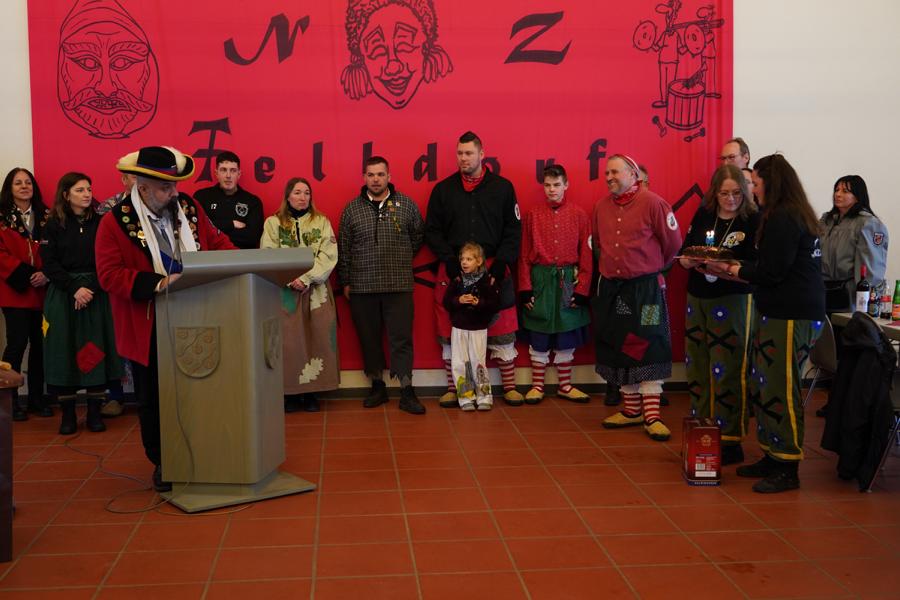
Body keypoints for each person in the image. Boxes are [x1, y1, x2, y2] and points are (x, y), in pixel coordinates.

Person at [96, 146, 235, 492]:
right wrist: (158, 284)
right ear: (142, 187)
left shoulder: (188, 208)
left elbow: (218, 244)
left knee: (202, 389)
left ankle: (205, 451)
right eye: (165, 187)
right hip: (149, 323)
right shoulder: (114, 221)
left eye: (175, 185)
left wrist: (244, 264)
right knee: (155, 397)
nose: (174, 193)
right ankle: (164, 461)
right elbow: (109, 275)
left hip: (200, 314)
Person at [706, 153, 825, 493]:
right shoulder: (784, 213)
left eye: (755, 183)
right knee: (765, 385)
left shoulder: (785, 217)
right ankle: (772, 454)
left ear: (771, 183)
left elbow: (772, 272)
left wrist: (732, 269)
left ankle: (787, 465)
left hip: (791, 314)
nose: (752, 190)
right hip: (778, 311)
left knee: (781, 388)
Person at [425, 131, 522, 407]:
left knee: (502, 324)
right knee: (451, 328)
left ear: (482, 154)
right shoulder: (443, 190)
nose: (463, 158)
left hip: (493, 267)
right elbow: (432, 230)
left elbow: (513, 229)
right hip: (454, 269)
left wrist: (502, 262)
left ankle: (510, 387)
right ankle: (456, 389)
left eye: (469, 153)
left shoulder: (503, 188)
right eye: (460, 153)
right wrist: (449, 260)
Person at [593, 154, 682, 441]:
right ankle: (632, 411)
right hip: (615, 291)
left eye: (615, 172)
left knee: (650, 341)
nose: (609, 177)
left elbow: (673, 245)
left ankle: (652, 415)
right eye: (606, 173)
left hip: (647, 291)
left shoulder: (654, 203)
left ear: (634, 174)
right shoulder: (600, 207)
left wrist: (648, 267)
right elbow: (598, 243)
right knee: (622, 342)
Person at [679, 164, 759, 464]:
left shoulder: (753, 220)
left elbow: (758, 266)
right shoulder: (704, 214)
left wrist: (727, 267)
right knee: (698, 365)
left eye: (736, 193)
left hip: (733, 299)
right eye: (724, 193)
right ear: (715, 193)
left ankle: (729, 439)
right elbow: (686, 250)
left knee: (729, 367)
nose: (730, 199)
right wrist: (689, 260)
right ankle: (702, 430)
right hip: (698, 295)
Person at [337, 156, 425, 414]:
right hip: (362, 286)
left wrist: (401, 259)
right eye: (371, 175)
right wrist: (346, 281)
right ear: (364, 177)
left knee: (402, 339)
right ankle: (377, 386)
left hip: (399, 285)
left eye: (380, 174)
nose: (376, 179)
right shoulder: (351, 209)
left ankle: (407, 390)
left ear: (389, 176)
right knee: (369, 339)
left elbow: (418, 237)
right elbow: (344, 248)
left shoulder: (406, 205)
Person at [41, 173, 124, 435]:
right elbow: (49, 263)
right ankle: (67, 415)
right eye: (80, 190)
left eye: (89, 189)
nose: (87, 194)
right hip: (64, 294)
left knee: (96, 347)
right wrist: (74, 288)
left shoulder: (102, 223)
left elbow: (111, 259)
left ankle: (94, 412)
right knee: (63, 349)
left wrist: (92, 288)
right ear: (66, 195)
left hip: (96, 293)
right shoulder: (52, 225)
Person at [261, 177, 339, 413]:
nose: (302, 197)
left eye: (306, 193)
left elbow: (329, 254)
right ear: (288, 196)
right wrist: (289, 278)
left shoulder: (321, 222)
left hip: (316, 291)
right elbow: (268, 253)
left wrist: (307, 278)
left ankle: (312, 392)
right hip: (285, 292)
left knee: (318, 337)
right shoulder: (273, 223)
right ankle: (291, 393)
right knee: (290, 342)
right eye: (297, 192)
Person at [518, 164, 592, 404]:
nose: (552, 189)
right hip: (540, 278)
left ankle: (565, 386)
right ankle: (537, 386)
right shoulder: (532, 215)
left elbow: (587, 255)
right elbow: (524, 254)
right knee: (539, 330)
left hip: (568, 279)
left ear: (566, 185)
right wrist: (525, 287)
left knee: (566, 331)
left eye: (557, 185)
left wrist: (582, 289)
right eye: (548, 185)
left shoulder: (580, 215)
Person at [0, 168, 50, 421]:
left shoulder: (47, 216)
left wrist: (46, 273)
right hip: (14, 291)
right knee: (17, 344)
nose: (23, 186)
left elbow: (58, 250)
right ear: (9, 188)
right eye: (17, 183)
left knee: (41, 346)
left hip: (42, 291)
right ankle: (10, 401)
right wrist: (27, 274)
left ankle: (37, 399)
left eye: (28, 182)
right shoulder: (1, 217)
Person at [95, 170, 137, 418]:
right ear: (124, 180)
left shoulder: (159, 208)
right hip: (116, 281)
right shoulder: (108, 208)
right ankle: (116, 396)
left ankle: (150, 396)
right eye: (133, 177)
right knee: (116, 341)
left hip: (147, 282)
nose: (138, 181)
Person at [444, 243, 501, 411]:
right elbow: (446, 302)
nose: (464, 262)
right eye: (462, 259)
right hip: (459, 329)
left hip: (478, 329)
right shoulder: (457, 281)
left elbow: (494, 304)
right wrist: (458, 300)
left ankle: (484, 396)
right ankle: (465, 397)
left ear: (479, 261)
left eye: (469, 259)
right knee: (460, 363)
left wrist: (479, 303)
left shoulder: (487, 282)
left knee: (478, 363)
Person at [819, 175, 888, 313]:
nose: (838, 194)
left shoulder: (868, 224)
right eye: (836, 190)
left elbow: (870, 270)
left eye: (845, 191)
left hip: (850, 298)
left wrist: (864, 303)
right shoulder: (826, 221)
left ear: (857, 196)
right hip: (822, 293)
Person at [193, 151, 264, 249]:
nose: (228, 175)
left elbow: (252, 237)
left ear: (239, 174)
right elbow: (199, 230)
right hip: (210, 256)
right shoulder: (202, 197)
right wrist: (231, 224)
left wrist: (215, 230)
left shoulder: (253, 202)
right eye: (223, 170)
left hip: (242, 256)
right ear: (216, 173)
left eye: (233, 170)